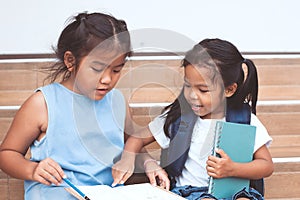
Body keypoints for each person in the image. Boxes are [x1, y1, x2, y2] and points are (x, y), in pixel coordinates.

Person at [0, 11, 167, 199]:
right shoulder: (42, 104)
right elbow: (7, 153)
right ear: (71, 61)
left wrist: (148, 163)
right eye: (97, 69)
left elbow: (132, 145)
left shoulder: (117, 101)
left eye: (116, 70)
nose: (107, 79)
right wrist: (32, 169)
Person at [112, 38, 274, 200]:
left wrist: (233, 169)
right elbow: (137, 138)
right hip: (192, 193)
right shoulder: (178, 117)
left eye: (203, 90)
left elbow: (266, 166)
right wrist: (128, 158)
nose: (192, 95)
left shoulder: (245, 121)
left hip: (236, 192)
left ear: (229, 90)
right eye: (188, 86)